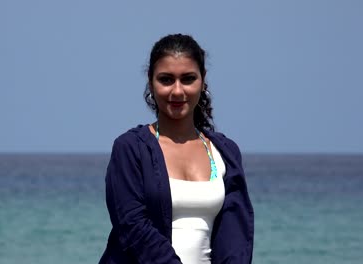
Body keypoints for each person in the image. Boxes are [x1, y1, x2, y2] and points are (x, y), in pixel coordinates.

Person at [99, 34, 254, 264]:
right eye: (166, 79)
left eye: (188, 79)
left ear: (203, 80)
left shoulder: (225, 152)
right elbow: (132, 226)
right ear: (151, 81)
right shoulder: (130, 149)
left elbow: (236, 235)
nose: (178, 91)